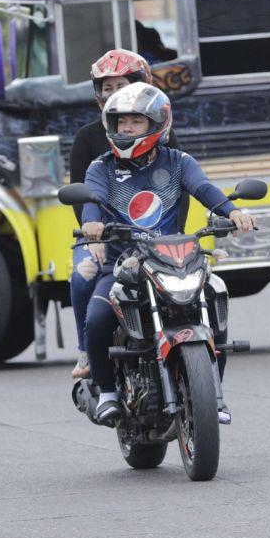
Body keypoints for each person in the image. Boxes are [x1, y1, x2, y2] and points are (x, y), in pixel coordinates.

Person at [80, 82, 255, 425]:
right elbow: (92, 200)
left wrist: (231, 212)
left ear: (157, 124)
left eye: (136, 122)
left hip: (174, 260)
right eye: (120, 122)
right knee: (96, 319)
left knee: (213, 296)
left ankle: (213, 395)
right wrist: (92, 226)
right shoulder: (100, 168)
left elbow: (204, 188)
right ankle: (108, 392)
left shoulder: (178, 162)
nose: (126, 128)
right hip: (124, 265)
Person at [69, 49, 182, 381]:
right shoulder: (87, 139)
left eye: (120, 84)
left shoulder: (164, 135)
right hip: (106, 237)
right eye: (106, 87)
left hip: (156, 235)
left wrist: (176, 235)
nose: (112, 92)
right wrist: (93, 237)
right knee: (82, 277)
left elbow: (181, 189)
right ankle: (85, 350)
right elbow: (82, 197)